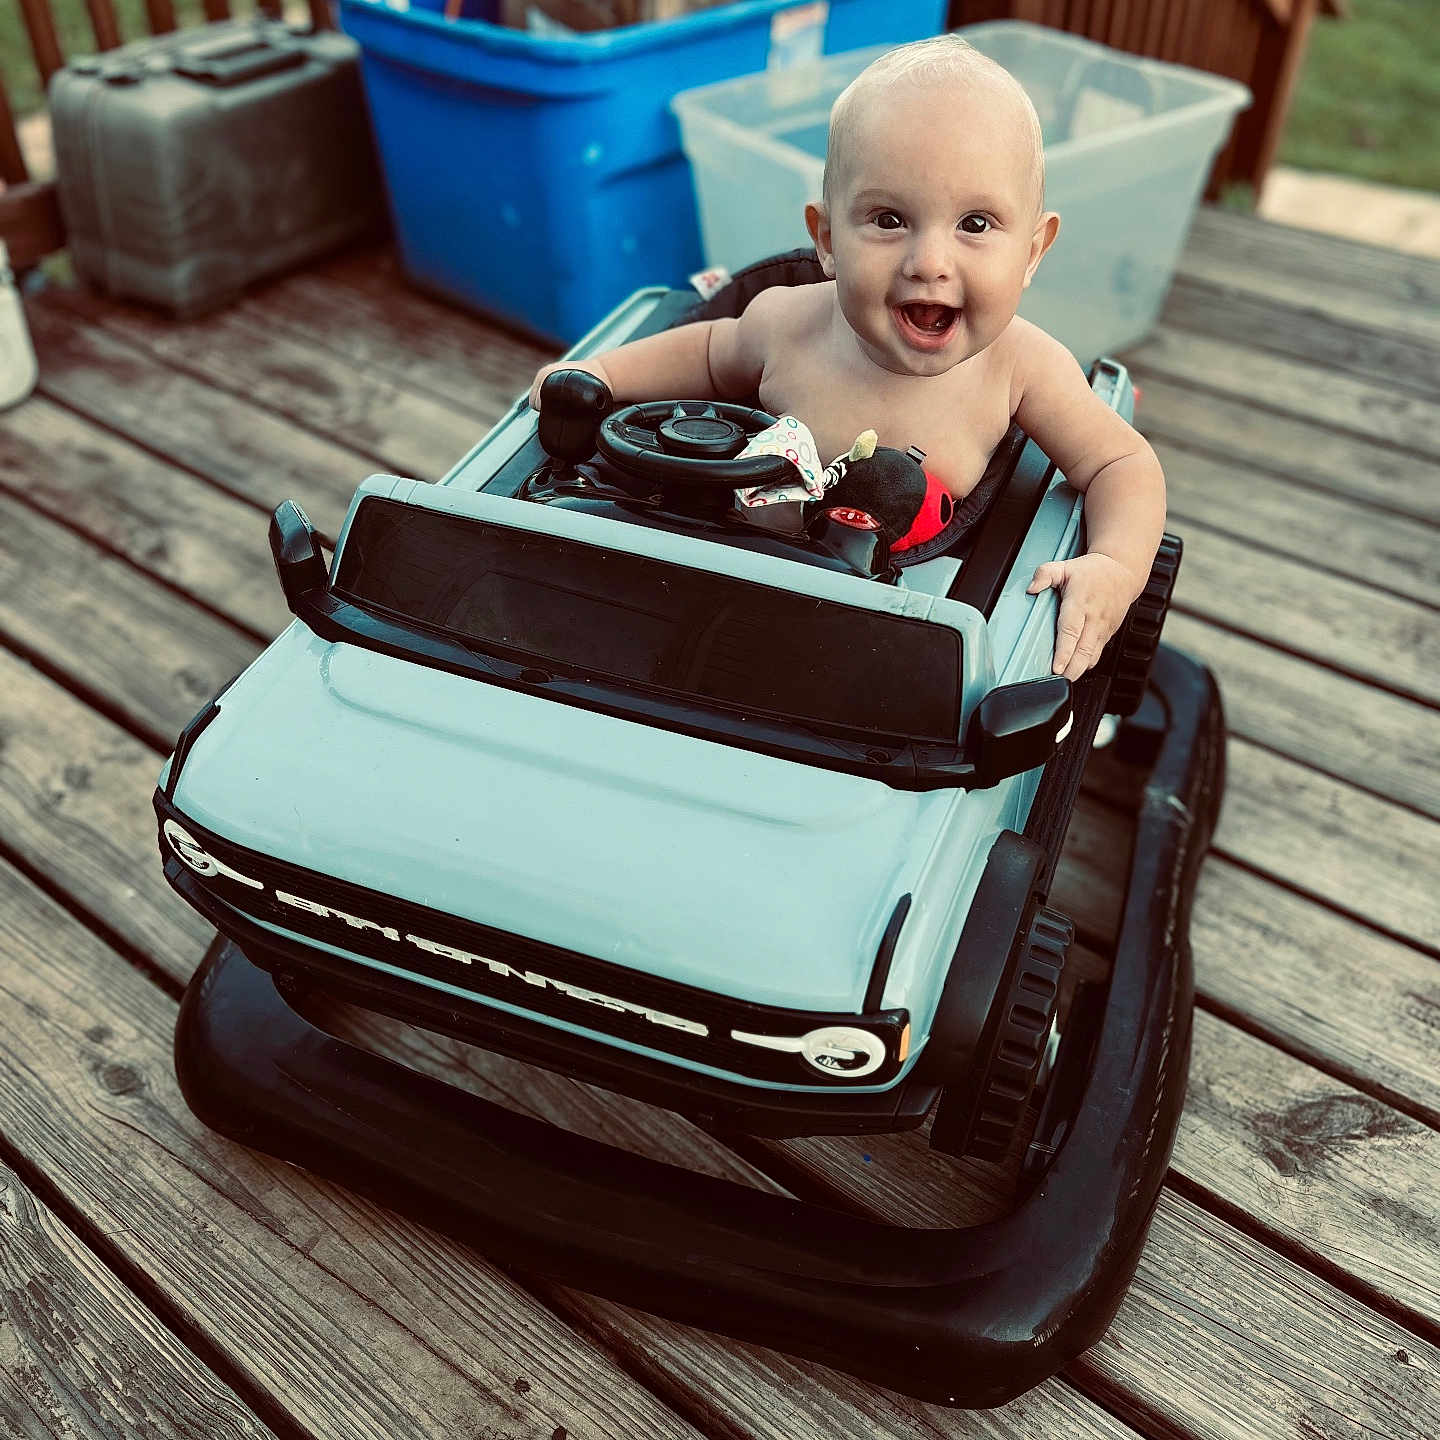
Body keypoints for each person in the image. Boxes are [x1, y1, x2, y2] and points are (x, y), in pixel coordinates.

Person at [528, 35, 1164, 682]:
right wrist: (600, 376)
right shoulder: (788, 323)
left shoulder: (1021, 367)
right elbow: (707, 350)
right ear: (827, 241)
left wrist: (1114, 565)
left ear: (1032, 251)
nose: (930, 264)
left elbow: (1122, 462)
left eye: (975, 224)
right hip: (726, 583)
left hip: (899, 639)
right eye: (889, 220)